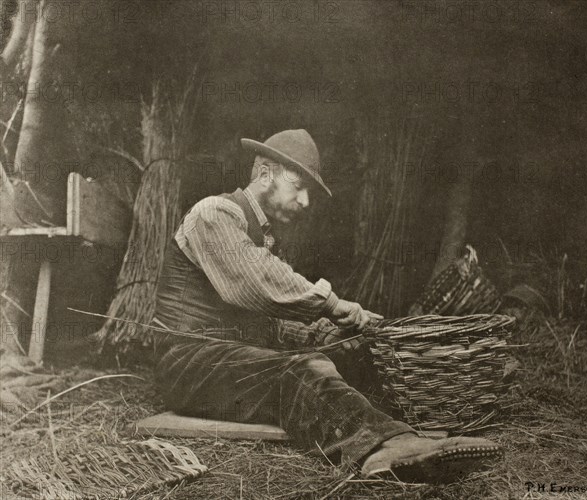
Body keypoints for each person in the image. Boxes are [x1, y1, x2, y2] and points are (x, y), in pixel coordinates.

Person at [152, 129, 503, 483]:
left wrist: (329, 332)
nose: (305, 201)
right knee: (300, 370)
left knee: (344, 356)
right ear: (264, 174)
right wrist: (331, 305)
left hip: (226, 360)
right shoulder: (213, 214)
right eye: (298, 187)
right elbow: (259, 284)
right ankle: (381, 449)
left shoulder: (260, 236)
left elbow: (270, 321)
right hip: (190, 364)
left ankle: (412, 430)